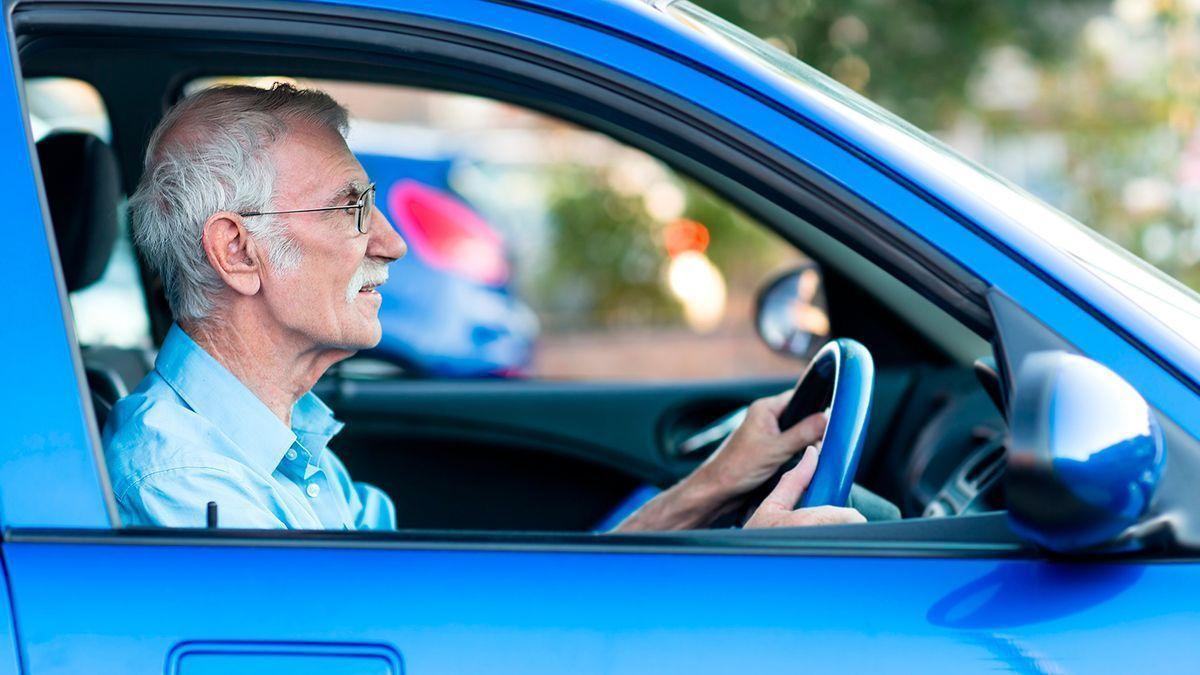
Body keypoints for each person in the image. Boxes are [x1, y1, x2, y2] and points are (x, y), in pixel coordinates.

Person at [104, 83, 865, 531]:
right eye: (351, 209)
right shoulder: (191, 486)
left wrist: (711, 487)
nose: (394, 243)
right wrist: (738, 588)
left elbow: (463, 628)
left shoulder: (275, 444)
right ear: (238, 251)